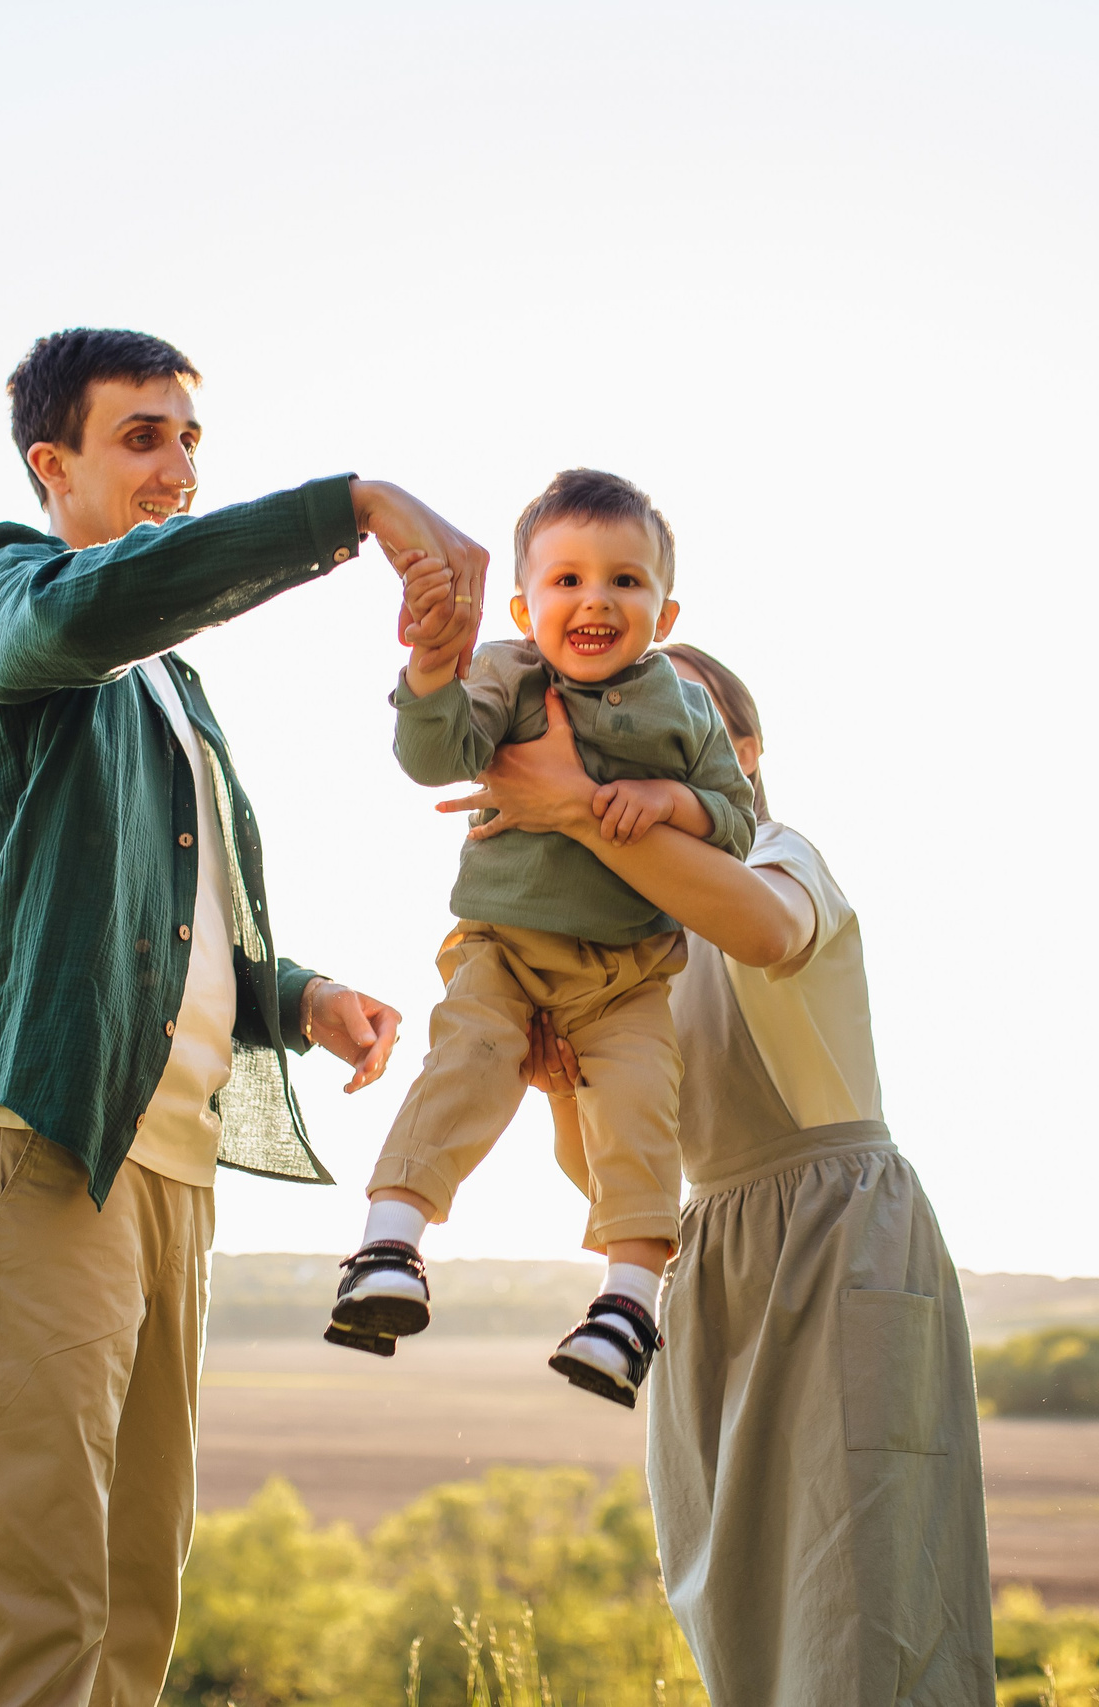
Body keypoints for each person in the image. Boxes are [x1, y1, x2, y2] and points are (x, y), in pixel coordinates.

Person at [0, 326, 486, 1707]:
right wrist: (348, 508)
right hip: (39, 1138)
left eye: (189, 438)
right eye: (141, 436)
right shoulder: (2, 587)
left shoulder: (173, 684)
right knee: (19, 1624)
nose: (175, 464)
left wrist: (300, 996)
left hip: (170, 1167)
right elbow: (77, 616)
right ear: (54, 463)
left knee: (128, 1619)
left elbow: (169, 927)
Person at [443, 644, 997, 1706]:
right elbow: (606, 1175)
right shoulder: (619, 938)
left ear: (738, 755)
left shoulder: (784, 855)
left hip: (837, 1237)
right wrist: (561, 1083)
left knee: (865, 1610)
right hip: (706, 1258)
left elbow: (766, 929)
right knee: (735, 1607)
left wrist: (564, 810)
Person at [321, 471, 755, 1408]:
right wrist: (434, 669)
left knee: (641, 1113)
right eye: (568, 581)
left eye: (625, 582)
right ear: (524, 604)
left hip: (625, 978)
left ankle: (626, 1309)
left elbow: (736, 818)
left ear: (664, 609)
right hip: (504, 951)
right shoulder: (511, 676)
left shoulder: (685, 713)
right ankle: (388, 1247)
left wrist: (669, 799)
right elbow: (438, 754)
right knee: (468, 1061)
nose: (595, 598)